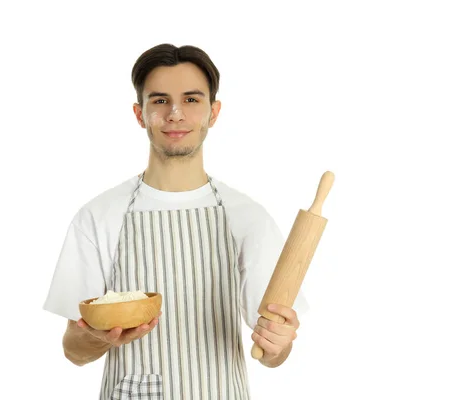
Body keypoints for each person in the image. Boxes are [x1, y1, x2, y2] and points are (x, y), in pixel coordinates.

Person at [43, 43, 310, 400]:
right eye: (159, 101)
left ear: (213, 113)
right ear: (140, 114)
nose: (175, 114)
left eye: (191, 100)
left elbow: (273, 352)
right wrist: (96, 336)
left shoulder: (248, 217)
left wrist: (278, 344)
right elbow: (73, 351)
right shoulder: (98, 216)